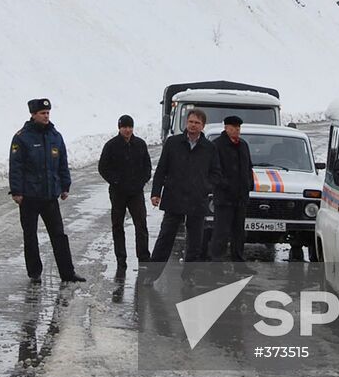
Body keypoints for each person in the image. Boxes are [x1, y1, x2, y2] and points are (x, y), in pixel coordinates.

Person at [9, 99, 86, 284]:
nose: (46, 116)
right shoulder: (21, 138)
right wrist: (16, 191)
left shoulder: (55, 136)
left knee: (59, 235)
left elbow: (62, 163)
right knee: (30, 235)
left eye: (48, 113)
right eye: (43, 113)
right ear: (34, 115)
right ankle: (34, 272)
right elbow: (16, 167)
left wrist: (65, 186)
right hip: (29, 197)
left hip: (50, 196)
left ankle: (67, 272)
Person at [147, 109, 222, 271]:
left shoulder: (209, 148)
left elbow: (216, 174)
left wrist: (205, 186)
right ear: (186, 123)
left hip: (197, 200)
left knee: (195, 242)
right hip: (174, 197)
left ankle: (189, 275)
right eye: (191, 122)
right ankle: (152, 274)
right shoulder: (173, 143)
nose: (193, 125)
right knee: (165, 238)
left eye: (197, 123)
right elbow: (161, 169)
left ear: (203, 126)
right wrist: (155, 192)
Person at [98, 114, 153, 277]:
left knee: (141, 224)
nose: (127, 130)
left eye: (130, 127)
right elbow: (103, 167)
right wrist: (116, 181)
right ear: (119, 128)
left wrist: (141, 181)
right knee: (117, 225)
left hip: (136, 192)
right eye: (124, 127)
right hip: (118, 192)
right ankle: (121, 258)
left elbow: (147, 166)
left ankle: (143, 257)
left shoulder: (140, 144)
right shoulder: (111, 145)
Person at [209, 115, 253, 262]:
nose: (236, 130)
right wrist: (225, 185)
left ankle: (239, 261)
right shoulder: (217, 145)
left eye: (238, 128)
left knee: (239, 232)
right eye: (233, 127)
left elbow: (248, 167)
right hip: (224, 198)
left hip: (241, 198)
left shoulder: (243, 145)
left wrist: (249, 184)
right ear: (226, 128)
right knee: (221, 232)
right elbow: (214, 170)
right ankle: (216, 263)